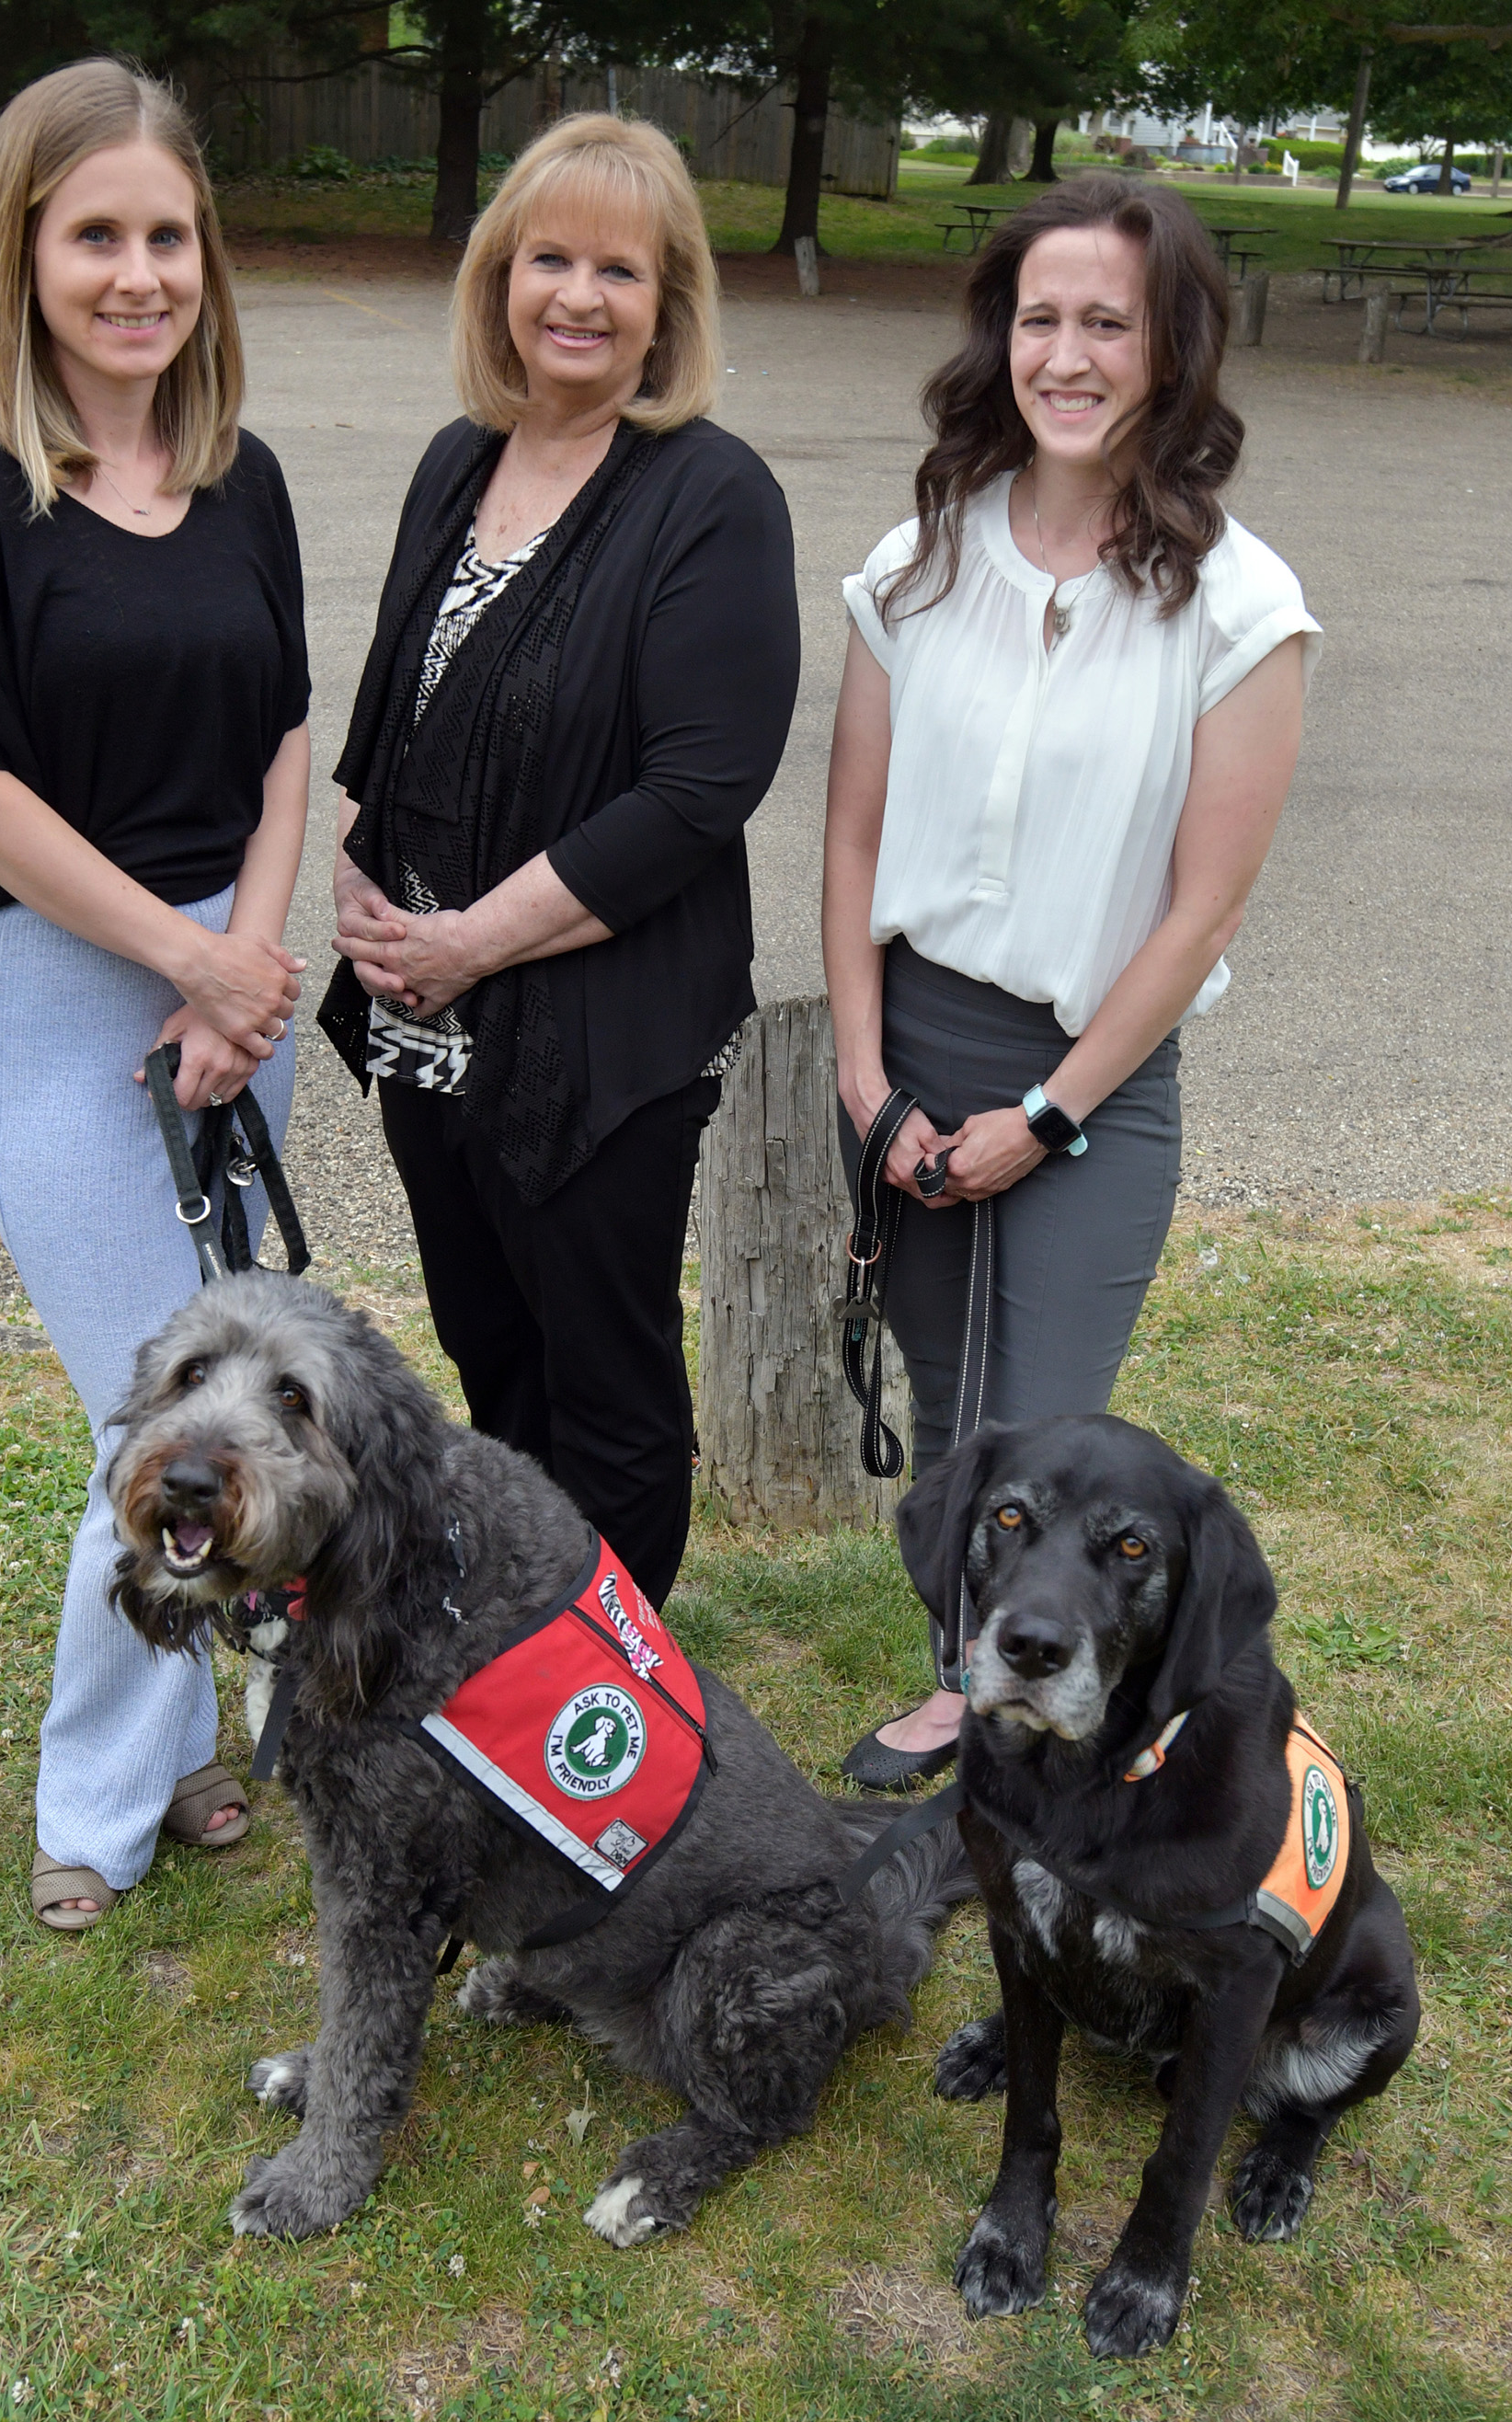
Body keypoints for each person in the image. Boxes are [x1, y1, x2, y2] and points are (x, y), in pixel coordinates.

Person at [0, 61, 311, 1924]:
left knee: (230, 1407)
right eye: (97, 235)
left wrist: (249, 967)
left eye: (169, 235)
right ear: (25, 248)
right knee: (161, 1424)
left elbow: (287, 735)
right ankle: (94, 1806)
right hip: (65, 995)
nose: (139, 274)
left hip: (238, 999)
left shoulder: (240, 475)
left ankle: (188, 1745)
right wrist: (186, 955)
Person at [824, 177, 1321, 1790]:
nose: (1069, 352)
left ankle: (1020, 1722)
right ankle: (972, 1682)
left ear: (1172, 347)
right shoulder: (919, 560)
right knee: (946, 1401)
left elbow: (1202, 905)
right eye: (1042, 317)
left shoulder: (1241, 605)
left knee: (1040, 1427)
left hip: (1091, 1076)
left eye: (1108, 321)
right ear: (1002, 337)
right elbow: (848, 834)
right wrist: (860, 1074)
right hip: (907, 1050)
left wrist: (1048, 1108)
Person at [320, 114, 799, 1609]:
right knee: (490, 1346)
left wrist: (476, 940)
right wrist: (357, 874)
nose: (578, 297)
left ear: (670, 306)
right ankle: (512, 1642)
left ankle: (611, 1688)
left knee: (607, 1386)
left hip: (593, 1038)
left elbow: (696, 789)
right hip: (427, 1022)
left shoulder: (707, 496)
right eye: (549, 259)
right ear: (498, 278)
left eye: (620, 269)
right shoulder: (458, 463)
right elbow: (394, 712)